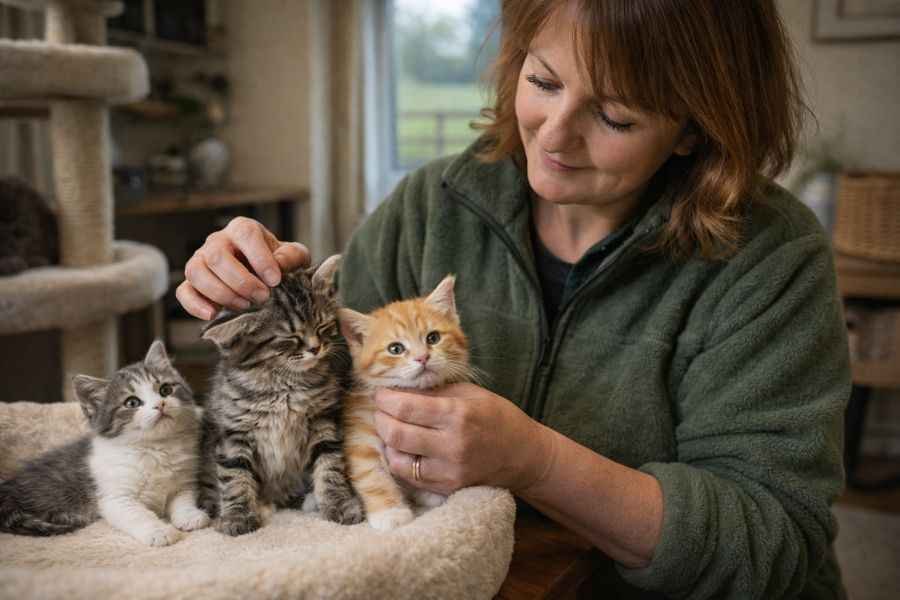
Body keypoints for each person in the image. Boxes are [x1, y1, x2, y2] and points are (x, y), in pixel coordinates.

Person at [176, 1, 850, 598]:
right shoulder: (432, 206)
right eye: (542, 82)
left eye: (615, 115)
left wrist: (539, 463)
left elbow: (772, 543)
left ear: (693, 130)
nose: (554, 136)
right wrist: (251, 303)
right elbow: (322, 391)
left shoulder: (771, 257)